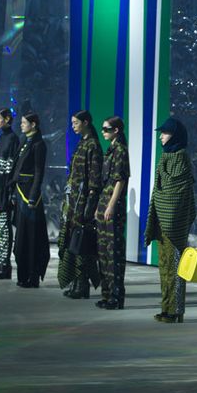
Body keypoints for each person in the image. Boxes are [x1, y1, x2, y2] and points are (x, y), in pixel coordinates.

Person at [145, 116, 196, 322]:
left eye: (165, 133)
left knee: (175, 268)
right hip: (161, 220)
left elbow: (174, 191)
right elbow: (161, 190)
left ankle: (175, 311)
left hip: (174, 224)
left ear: (175, 135)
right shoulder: (166, 156)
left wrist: (163, 206)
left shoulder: (180, 156)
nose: (161, 137)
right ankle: (167, 308)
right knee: (164, 267)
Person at [59, 111, 103, 300]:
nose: (73, 126)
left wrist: (90, 205)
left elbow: (94, 178)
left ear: (85, 123)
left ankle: (82, 283)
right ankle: (76, 281)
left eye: (76, 123)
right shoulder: (82, 143)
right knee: (72, 242)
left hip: (82, 202)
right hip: (73, 201)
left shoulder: (93, 145)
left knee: (81, 243)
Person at [95, 116, 130, 309]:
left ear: (116, 130)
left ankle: (116, 297)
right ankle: (107, 294)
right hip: (103, 204)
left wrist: (111, 205)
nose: (103, 132)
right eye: (102, 129)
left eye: (107, 129)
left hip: (112, 207)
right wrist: (99, 206)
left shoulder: (121, 151)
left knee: (114, 253)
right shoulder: (110, 150)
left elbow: (120, 180)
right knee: (103, 253)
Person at [12, 112, 49, 288]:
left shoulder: (39, 144)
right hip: (20, 193)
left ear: (33, 124)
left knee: (32, 238)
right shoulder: (24, 141)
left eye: (24, 122)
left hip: (29, 196)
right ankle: (23, 274)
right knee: (21, 238)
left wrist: (33, 196)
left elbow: (38, 172)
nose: (21, 125)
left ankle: (33, 277)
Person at [0, 108, 21, 280]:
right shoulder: (1, 138)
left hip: (4, 189)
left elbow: (11, 167)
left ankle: (5, 266)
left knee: (4, 228)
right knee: (0, 228)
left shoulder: (13, 139)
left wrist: (10, 191)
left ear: (7, 119)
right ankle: (0, 265)